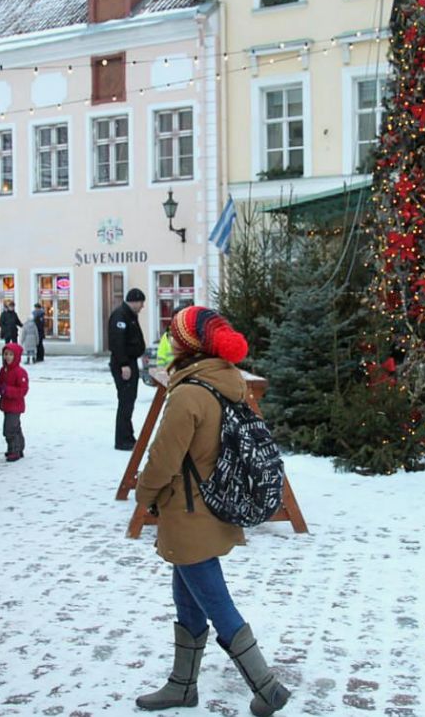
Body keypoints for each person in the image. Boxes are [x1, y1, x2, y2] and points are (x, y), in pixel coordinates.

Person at [135, 306, 290, 715]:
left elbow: (164, 460)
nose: (167, 342)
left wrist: (142, 493)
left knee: (216, 603)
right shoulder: (225, 382)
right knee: (186, 598)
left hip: (189, 515)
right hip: (211, 507)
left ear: (187, 346)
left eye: (173, 336)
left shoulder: (188, 393)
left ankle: (266, 685)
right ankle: (182, 685)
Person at [107, 287, 146, 450]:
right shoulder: (120, 316)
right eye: (141, 303)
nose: (142, 306)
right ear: (134, 301)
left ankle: (128, 436)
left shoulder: (130, 315)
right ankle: (123, 440)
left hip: (130, 362)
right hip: (124, 364)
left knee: (129, 401)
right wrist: (124, 364)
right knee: (126, 401)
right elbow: (117, 343)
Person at [0, 342, 29, 462]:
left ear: (16, 356)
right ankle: (18, 448)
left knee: (9, 429)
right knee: (15, 427)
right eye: (5, 354)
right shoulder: (4, 370)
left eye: (11, 354)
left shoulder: (20, 372)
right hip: (6, 405)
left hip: (15, 406)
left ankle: (14, 450)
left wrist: (7, 390)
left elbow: (22, 390)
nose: (7, 357)